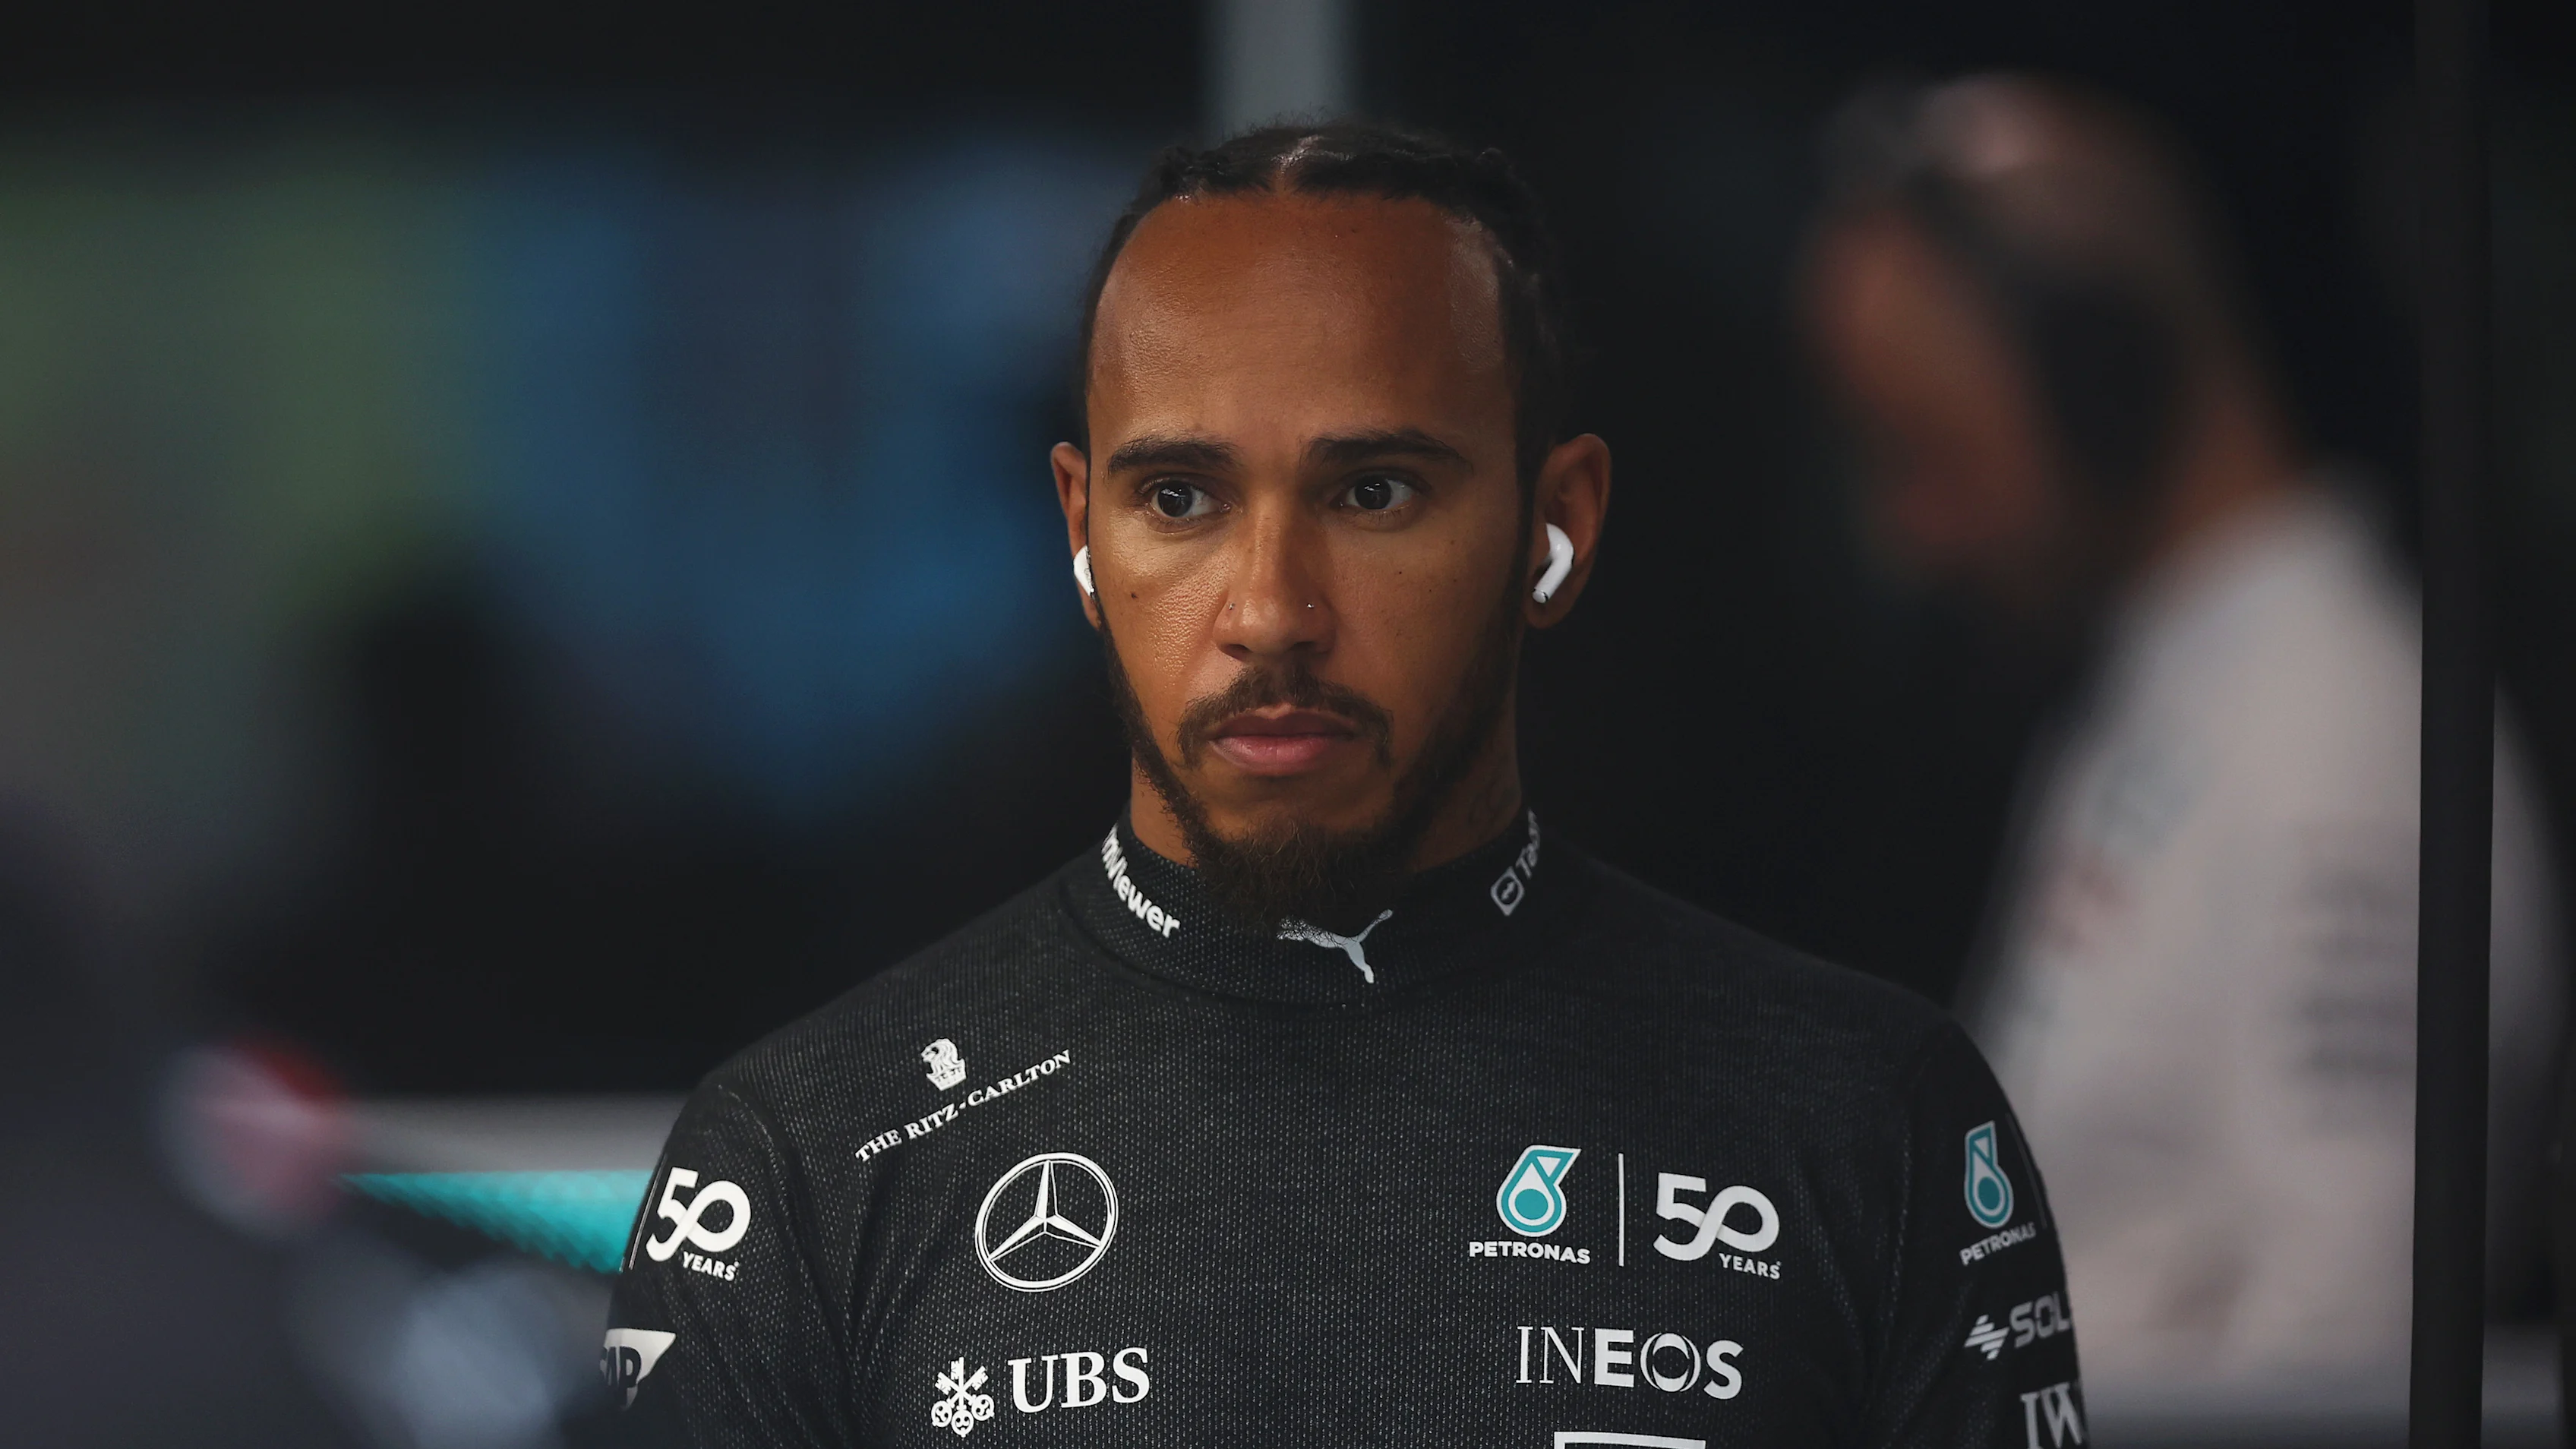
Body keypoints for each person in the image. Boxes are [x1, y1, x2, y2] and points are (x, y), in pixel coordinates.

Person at [603, 122, 2082, 1447]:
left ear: (1553, 526)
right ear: (1080, 533)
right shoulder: (810, 1159)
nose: (1270, 608)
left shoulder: (1864, 1121)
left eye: (1373, 492)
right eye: (1178, 498)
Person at [1801, 76, 2562, 1387]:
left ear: (2103, 372)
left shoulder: (2342, 737)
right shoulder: (2159, 690)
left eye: (1929, 451)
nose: (1914, 530)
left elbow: (2356, 1349)